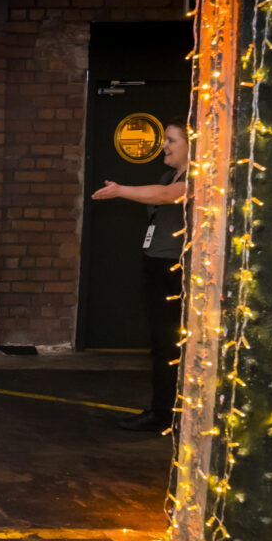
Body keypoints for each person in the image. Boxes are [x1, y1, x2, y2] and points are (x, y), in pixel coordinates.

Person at [91, 120, 189, 432]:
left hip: (178, 270)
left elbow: (164, 196)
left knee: (171, 344)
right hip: (156, 265)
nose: (165, 146)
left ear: (191, 145)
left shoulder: (197, 178)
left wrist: (120, 190)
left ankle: (167, 414)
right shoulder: (166, 174)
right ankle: (163, 410)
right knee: (161, 344)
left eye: (171, 140)